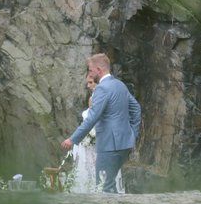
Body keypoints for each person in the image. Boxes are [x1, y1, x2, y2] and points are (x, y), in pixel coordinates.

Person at [60, 53, 141, 193]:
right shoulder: (120, 85)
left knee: (103, 187)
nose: (90, 74)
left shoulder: (102, 88)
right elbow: (136, 109)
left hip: (110, 145)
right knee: (109, 186)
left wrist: (72, 139)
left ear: (99, 69)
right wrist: (132, 133)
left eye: (91, 70)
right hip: (124, 144)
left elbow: (92, 118)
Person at [69, 75, 123, 193]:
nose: (88, 86)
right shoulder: (92, 97)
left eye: (91, 83)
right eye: (87, 83)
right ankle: (91, 187)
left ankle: (102, 188)